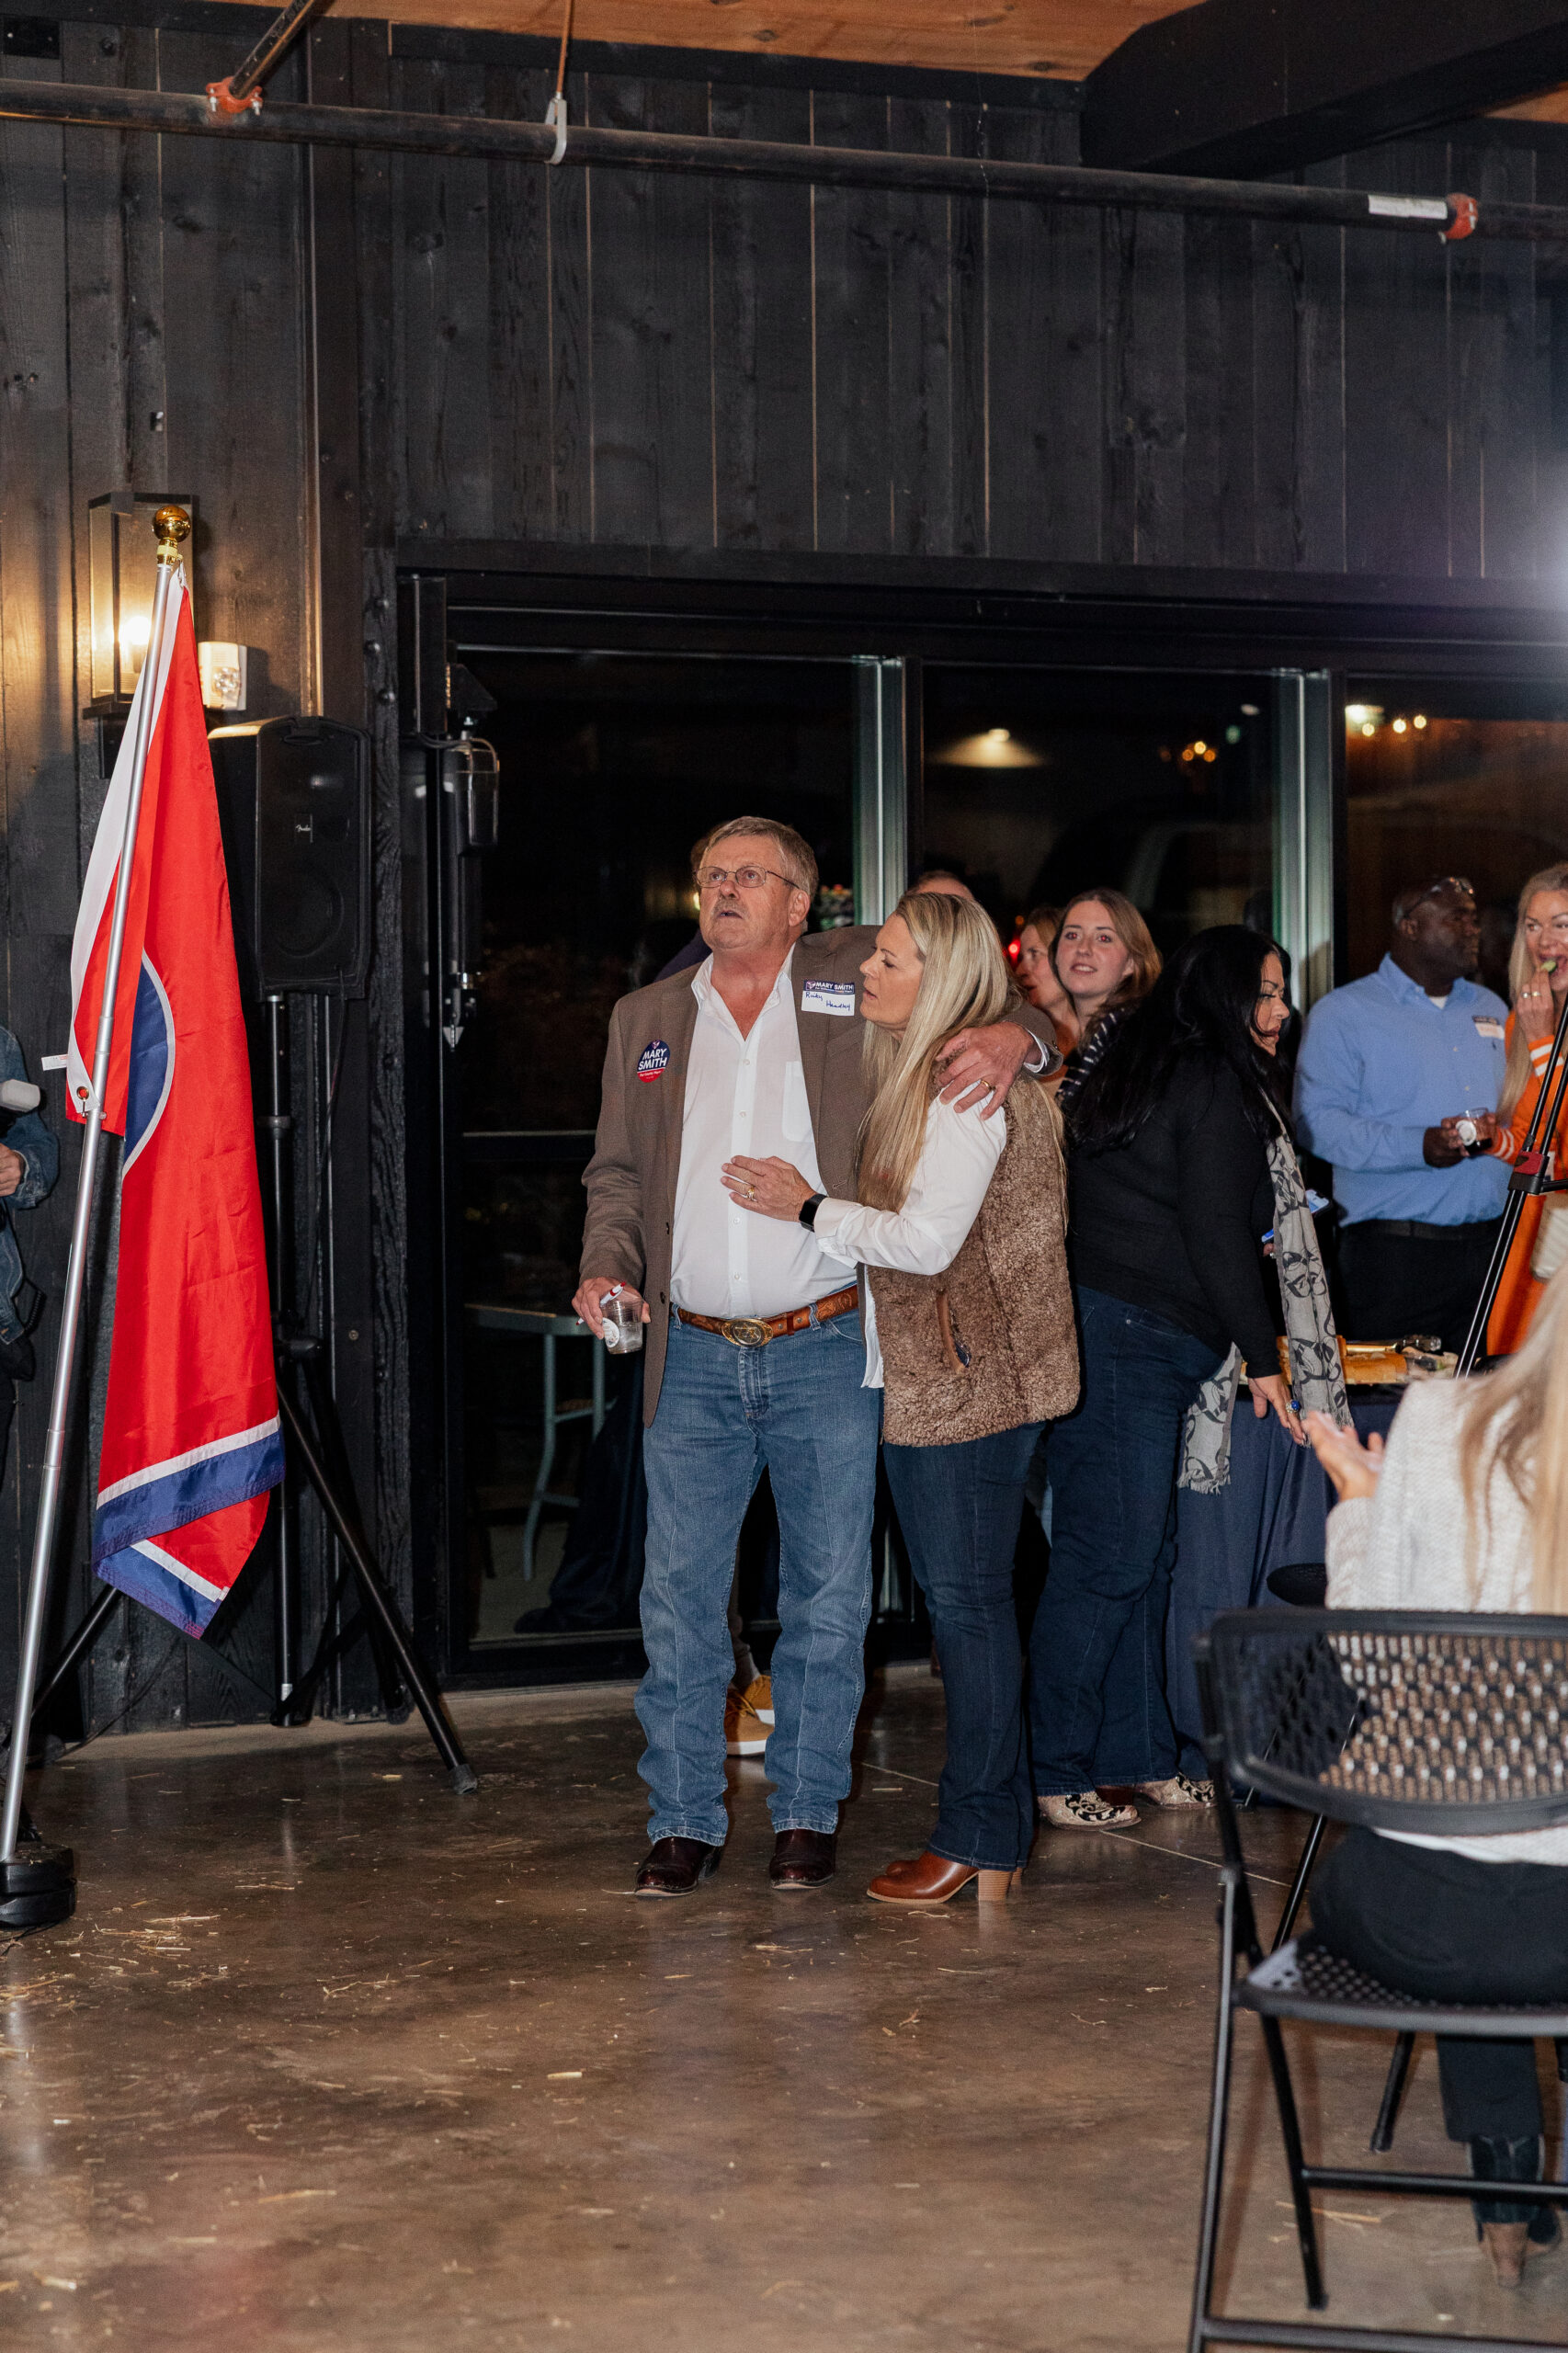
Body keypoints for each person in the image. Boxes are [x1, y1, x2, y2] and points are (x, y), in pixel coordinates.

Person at [574, 816, 1059, 1898]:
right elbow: (615, 1174)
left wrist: (1017, 1038)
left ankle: (802, 1813)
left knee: (828, 1600)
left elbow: (981, 981)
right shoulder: (646, 1016)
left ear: (802, 905)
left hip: (826, 1343)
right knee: (679, 1602)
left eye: (752, 875)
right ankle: (683, 1819)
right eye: (711, 873)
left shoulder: (850, 974)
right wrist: (607, 1262)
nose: (725, 889)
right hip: (690, 1356)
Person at [724, 892, 1079, 1904]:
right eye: (872, 954)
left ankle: (979, 1837)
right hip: (960, 1376)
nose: (866, 973)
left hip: (966, 1383)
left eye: (890, 961)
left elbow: (925, 1245)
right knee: (970, 1608)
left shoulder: (960, 1087)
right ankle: (990, 1836)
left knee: (968, 1613)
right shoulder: (932, 1067)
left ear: (943, 980)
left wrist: (805, 1206)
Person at [1306, 1276, 1568, 2290]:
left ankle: (1504, 2181)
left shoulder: (1437, 1418)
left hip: (1421, 1914)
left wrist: (1360, 1507)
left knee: (1464, 1835)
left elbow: (1371, 1666)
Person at [1029, 928, 1303, 1828]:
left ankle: (1140, 1755)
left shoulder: (1153, 1063)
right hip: (1128, 1336)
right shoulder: (1212, 1077)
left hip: (1129, 1330)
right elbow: (1215, 1232)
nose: (1281, 1010)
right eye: (1266, 990)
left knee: (1141, 1560)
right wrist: (1265, 1357)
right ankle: (1053, 1768)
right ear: (1225, 995)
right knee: (1109, 1558)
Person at [1293, 876, 1509, 1355]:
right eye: (1458, 918)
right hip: (1396, 1260)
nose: (1473, 929)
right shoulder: (1344, 1013)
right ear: (1410, 927)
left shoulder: (1492, 1007)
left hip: (1493, 1250)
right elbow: (1315, 1123)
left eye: (1474, 919)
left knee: (1488, 1395)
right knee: (1393, 1399)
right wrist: (1419, 1145)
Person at [1486, 863, 1568, 1355]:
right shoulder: (1526, 1019)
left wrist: (1542, 1045)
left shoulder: (1534, 1028)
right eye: (1533, 926)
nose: (1545, 941)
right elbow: (1536, 1146)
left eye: (1562, 924)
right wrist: (1491, 1140)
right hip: (1542, 1233)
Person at [1051, 888, 1161, 1108]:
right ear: (1055, 955)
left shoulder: (1134, 1043)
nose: (1083, 949)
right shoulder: (1089, 1047)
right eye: (1072, 935)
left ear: (1131, 962)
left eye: (1103, 938)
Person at [1016, 904, 1078, 1058]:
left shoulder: (1113, 1040)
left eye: (1035, 954)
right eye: (1021, 958)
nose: (1020, 971)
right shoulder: (1021, 1042)